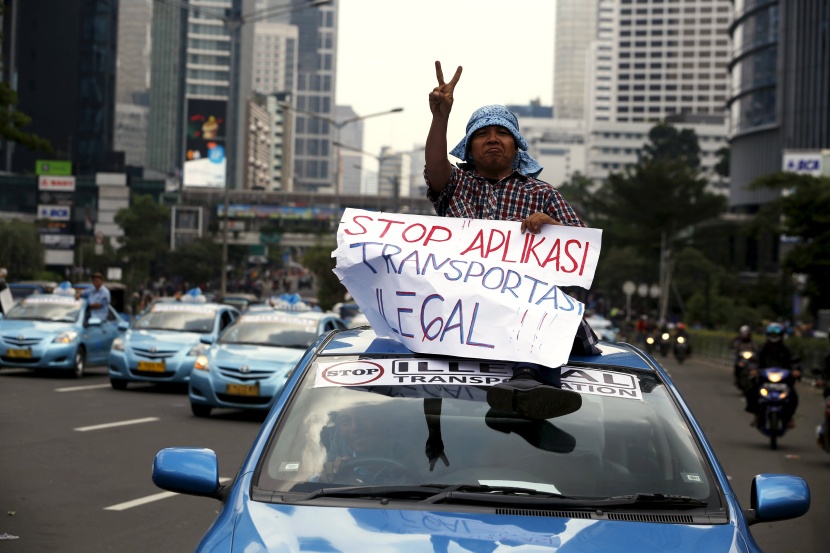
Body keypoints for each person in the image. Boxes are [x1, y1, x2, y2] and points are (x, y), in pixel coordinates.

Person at [424, 60, 597, 421]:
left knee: (545, 313)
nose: (492, 139)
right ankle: (525, 389)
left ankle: (530, 385)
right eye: (482, 134)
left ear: (516, 146)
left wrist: (553, 228)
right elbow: (436, 169)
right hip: (462, 307)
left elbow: (580, 253)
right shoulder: (457, 185)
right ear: (469, 148)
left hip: (528, 308)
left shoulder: (545, 194)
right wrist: (441, 117)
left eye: (501, 133)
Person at [746, 322, 801, 427]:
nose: (774, 337)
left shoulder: (787, 350)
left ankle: (789, 418)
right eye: (772, 335)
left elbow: (795, 361)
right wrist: (753, 369)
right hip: (765, 378)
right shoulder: (762, 349)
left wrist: (796, 370)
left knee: (793, 395)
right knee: (752, 391)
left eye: (776, 335)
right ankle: (757, 415)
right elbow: (754, 360)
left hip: (783, 379)